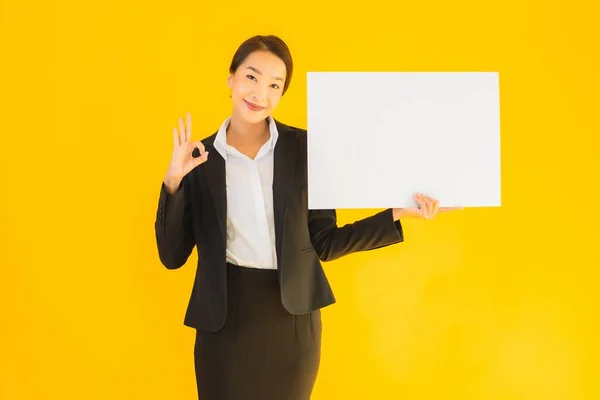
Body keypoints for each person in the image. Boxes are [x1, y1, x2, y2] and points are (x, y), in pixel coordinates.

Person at [154, 34, 460, 400]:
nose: (259, 93)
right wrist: (174, 182)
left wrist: (397, 214)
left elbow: (325, 242)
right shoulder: (199, 159)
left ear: (282, 93)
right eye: (251, 77)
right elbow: (172, 257)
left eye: (274, 85)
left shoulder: (305, 150)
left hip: (292, 320)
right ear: (231, 78)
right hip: (223, 322)